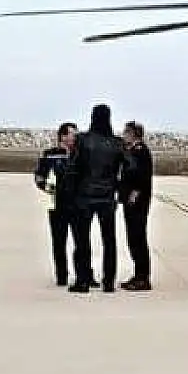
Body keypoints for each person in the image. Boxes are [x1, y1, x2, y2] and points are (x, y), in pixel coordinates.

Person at [66, 103, 126, 293]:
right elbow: (126, 169)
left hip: (84, 196)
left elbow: (73, 168)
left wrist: (71, 193)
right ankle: (108, 281)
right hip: (107, 197)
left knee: (82, 241)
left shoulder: (83, 140)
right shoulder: (117, 143)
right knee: (109, 240)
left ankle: (83, 280)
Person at [33, 122, 78, 286]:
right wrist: (49, 189)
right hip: (57, 205)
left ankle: (83, 273)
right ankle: (61, 275)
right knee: (59, 242)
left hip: (77, 205)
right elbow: (39, 177)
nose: (75, 137)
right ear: (63, 136)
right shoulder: (50, 154)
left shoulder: (79, 154)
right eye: (73, 134)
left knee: (80, 242)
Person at [118, 120, 153, 290]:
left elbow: (143, 176)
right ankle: (138, 274)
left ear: (133, 134)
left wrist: (135, 193)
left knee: (138, 237)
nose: (123, 135)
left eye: (126, 132)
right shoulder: (130, 151)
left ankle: (143, 277)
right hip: (129, 200)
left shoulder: (141, 151)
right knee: (133, 237)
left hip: (137, 201)